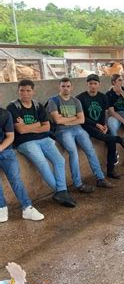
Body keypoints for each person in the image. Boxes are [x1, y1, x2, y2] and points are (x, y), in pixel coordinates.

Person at [47, 77, 114, 200]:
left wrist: (65, 120)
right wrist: (73, 119)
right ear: (59, 87)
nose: (66, 88)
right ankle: (78, 184)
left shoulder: (76, 101)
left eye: (68, 86)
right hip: (62, 131)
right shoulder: (54, 100)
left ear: (71, 87)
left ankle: (100, 178)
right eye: (63, 86)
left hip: (78, 129)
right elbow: (57, 120)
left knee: (90, 150)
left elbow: (82, 119)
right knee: (73, 153)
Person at [7, 79, 71, 207]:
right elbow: (20, 130)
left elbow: (46, 127)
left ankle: (61, 193)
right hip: (25, 142)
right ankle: (61, 192)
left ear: (33, 91)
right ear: (18, 91)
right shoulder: (13, 107)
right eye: (22, 91)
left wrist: (28, 126)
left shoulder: (37, 105)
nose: (25, 93)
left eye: (28, 91)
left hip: (44, 138)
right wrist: (37, 124)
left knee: (60, 160)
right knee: (42, 164)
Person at [77, 74, 124, 179]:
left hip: (100, 124)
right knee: (100, 135)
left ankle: (111, 170)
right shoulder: (80, 98)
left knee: (111, 142)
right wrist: (96, 125)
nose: (92, 86)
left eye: (95, 84)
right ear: (87, 85)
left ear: (99, 85)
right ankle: (119, 139)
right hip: (87, 124)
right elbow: (82, 117)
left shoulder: (103, 97)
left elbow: (105, 113)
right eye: (90, 84)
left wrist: (105, 124)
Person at [0, 104, 44, 222]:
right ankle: (1, 208)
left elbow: (10, 136)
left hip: (6, 151)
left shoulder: (4, 114)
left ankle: (27, 208)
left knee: (15, 180)